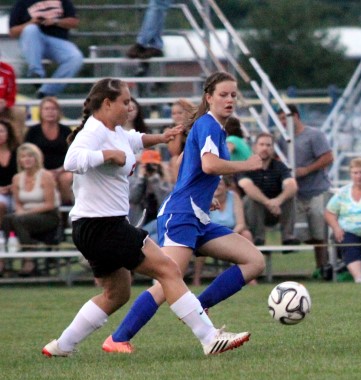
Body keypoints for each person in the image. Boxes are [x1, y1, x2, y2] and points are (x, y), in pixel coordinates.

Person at [42, 77, 249, 357]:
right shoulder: (94, 131)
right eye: (125, 102)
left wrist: (160, 138)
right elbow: (71, 160)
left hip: (91, 227)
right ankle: (209, 337)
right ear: (107, 103)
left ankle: (62, 346)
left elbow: (133, 140)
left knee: (117, 294)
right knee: (168, 270)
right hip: (104, 225)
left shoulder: (114, 130)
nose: (130, 108)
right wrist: (107, 155)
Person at [101, 72, 265, 354]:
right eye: (223, 95)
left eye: (233, 95)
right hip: (181, 216)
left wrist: (205, 199)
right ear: (209, 97)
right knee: (167, 281)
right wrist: (247, 165)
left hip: (196, 216)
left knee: (254, 261)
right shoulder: (208, 124)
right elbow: (210, 165)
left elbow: (193, 169)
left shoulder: (214, 128)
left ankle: (198, 307)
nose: (229, 100)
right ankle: (117, 338)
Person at [277, 104, 334, 279]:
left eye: (284, 118)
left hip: (317, 190)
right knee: (303, 234)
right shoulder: (283, 139)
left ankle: (324, 267)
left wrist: (307, 169)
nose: (282, 123)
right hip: (296, 193)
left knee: (320, 231)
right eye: (280, 120)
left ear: (295, 116)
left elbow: (328, 157)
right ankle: (320, 266)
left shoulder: (314, 135)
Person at [1, 143, 60, 276]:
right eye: (23, 157)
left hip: (47, 215)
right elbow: (18, 203)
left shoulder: (46, 176)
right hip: (24, 217)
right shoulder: (17, 178)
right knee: (7, 219)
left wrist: (25, 213)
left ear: (36, 158)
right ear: (19, 160)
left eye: (30, 156)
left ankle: (29, 260)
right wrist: (20, 211)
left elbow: (50, 204)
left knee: (19, 220)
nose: (26, 159)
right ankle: (4, 259)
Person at [9, 0, 84, 99]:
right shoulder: (22, 3)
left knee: (76, 57)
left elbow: (74, 22)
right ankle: (36, 74)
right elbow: (12, 32)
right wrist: (30, 23)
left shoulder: (63, 1)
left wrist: (55, 21)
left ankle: (47, 92)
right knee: (31, 29)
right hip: (33, 43)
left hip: (58, 42)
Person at [237, 132, 299, 246]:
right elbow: (248, 187)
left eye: (268, 145)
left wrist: (278, 201)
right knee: (250, 199)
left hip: (276, 211)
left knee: (290, 196)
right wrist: (268, 202)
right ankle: (258, 238)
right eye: (261, 144)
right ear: (254, 147)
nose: (265, 148)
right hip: (251, 213)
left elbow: (292, 185)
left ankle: (287, 237)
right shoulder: (245, 166)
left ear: (273, 149)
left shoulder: (279, 166)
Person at [192, 175, 254, 286]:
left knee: (246, 234)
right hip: (210, 234)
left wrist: (230, 235)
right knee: (201, 239)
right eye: (214, 184)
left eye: (220, 184)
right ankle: (196, 278)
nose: (216, 186)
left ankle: (251, 275)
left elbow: (241, 223)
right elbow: (202, 224)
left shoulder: (234, 197)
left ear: (227, 186)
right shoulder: (205, 198)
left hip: (232, 232)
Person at [24, 96, 73, 206]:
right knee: (46, 177)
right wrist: (42, 170)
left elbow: (72, 154)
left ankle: (66, 209)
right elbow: (26, 153)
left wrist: (60, 170)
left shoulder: (66, 131)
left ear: (58, 112)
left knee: (66, 178)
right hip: (38, 169)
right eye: (46, 109)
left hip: (63, 169)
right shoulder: (33, 131)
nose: (50, 112)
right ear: (41, 112)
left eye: (53, 109)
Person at [128, 149, 172, 242]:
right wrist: (141, 178)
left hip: (158, 228)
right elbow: (133, 198)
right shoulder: (135, 181)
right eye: (147, 165)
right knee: (157, 228)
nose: (150, 168)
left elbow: (166, 204)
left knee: (157, 235)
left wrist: (155, 180)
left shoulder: (163, 184)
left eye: (154, 165)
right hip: (139, 227)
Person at [166, 98, 195, 183]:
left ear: (188, 113)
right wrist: (179, 131)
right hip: (179, 162)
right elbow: (174, 152)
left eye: (180, 113)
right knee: (175, 159)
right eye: (174, 114)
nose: (177, 116)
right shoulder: (169, 130)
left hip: (195, 159)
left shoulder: (196, 127)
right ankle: (179, 186)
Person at [0, 60, 26, 143]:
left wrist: (5, 103)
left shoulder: (7, 69)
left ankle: (17, 144)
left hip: (5, 107)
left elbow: (12, 93)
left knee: (19, 113)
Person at [0, 120, 19, 229]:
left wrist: (14, 186)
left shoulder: (18, 151)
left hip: (19, 189)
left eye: (1, 131)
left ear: (8, 133)